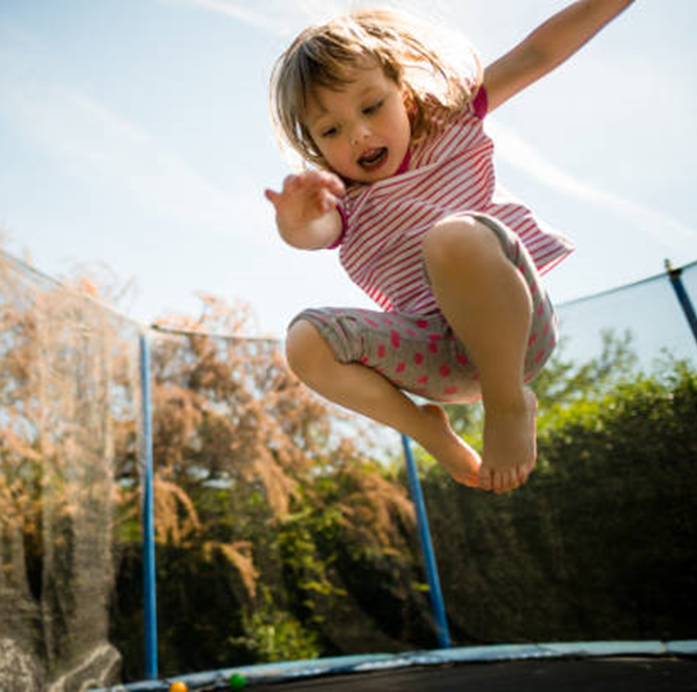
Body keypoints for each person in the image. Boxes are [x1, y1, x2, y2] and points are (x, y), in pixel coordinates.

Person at [264, 1, 633, 493]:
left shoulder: (451, 127)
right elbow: (312, 234)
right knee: (305, 341)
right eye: (332, 131)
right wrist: (295, 220)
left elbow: (537, 54)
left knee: (452, 236)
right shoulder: (341, 200)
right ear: (315, 145)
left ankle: (508, 403)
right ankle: (427, 430)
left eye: (372, 106)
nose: (359, 134)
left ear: (407, 99)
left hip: (514, 333)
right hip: (437, 359)